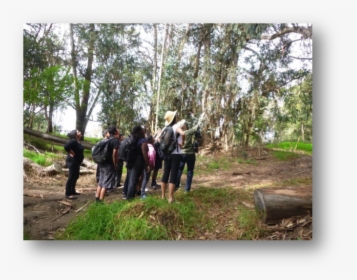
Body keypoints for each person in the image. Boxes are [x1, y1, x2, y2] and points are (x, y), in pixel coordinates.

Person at [160, 110, 185, 204]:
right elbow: (183, 134)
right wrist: (181, 143)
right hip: (176, 153)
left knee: (165, 173)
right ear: (174, 118)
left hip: (166, 153)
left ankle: (162, 196)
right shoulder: (176, 126)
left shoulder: (164, 128)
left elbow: (159, 139)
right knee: (173, 174)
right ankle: (170, 198)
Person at [95, 125, 119, 203]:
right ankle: (101, 201)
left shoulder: (106, 139)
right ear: (115, 132)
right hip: (109, 164)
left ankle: (97, 198)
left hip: (101, 162)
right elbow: (114, 153)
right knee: (106, 183)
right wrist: (115, 164)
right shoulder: (115, 140)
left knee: (101, 182)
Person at [125, 126, 151, 200]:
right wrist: (148, 164)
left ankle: (129, 196)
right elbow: (144, 152)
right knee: (134, 181)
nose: (144, 130)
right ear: (140, 131)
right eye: (142, 129)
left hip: (131, 161)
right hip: (138, 163)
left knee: (131, 180)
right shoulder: (142, 140)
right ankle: (129, 198)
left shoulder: (133, 139)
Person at [175, 120, 200, 193]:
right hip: (190, 154)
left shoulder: (177, 134)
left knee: (179, 171)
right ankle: (187, 189)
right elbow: (196, 127)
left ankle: (176, 186)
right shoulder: (188, 132)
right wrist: (199, 121)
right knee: (190, 171)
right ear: (184, 126)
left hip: (181, 154)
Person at [64, 129, 84, 200]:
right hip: (72, 161)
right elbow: (66, 147)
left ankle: (72, 191)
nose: (80, 132)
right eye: (78, 132)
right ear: (75, 134)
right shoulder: (73, 141)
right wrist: (71, 152)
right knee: (71, 177)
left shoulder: (78, 141)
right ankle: (68, 193)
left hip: (77, 162)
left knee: (76, 176)